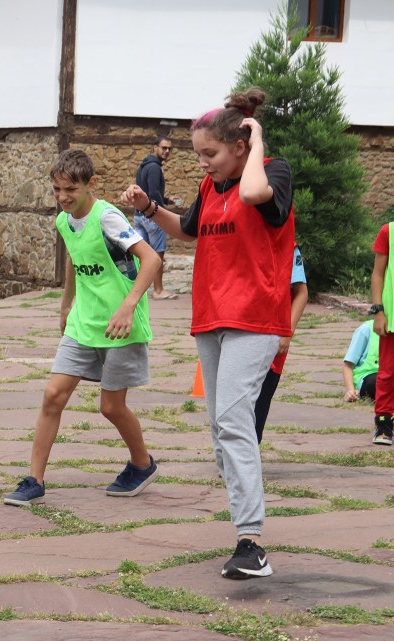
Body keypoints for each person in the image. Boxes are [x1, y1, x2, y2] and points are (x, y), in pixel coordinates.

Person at [121, 88, 295, 580]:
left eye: (210, 153)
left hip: (255, 319)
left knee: (234, 421)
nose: (203, 162)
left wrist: (258, 141)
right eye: (198, 154)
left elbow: (254, 195)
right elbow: (189, 229)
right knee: (221, 430)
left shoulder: (273, 173)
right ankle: (245, 523)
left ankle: (251, 542)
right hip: (212, 317)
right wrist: (150, 208)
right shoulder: (209, 185)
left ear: (240, 146)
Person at [4, 149, 160, 508]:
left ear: (91, 184)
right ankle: (34, 480)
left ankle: (142, 464)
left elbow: (151, 259)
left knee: (111, 407)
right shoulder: (64, 221)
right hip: (83, 322)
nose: (63, 197)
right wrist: (66, 304)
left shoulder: (107, 218)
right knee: (53, 395)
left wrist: (128, 306)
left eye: (70, 189)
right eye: (57, 189)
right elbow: (76, 261)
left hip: (120, 325)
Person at [253, 244, 309, 443]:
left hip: (273, 337)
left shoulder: (289, 248)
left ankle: (251, 451)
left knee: (260, 401)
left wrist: (287, 332)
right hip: (240, 331)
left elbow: (301, 293)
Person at [134, 136, 180, 300]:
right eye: (164, 148)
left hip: (139, 215)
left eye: (169, 149)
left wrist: (167, 200)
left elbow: (147, 192)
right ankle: (158, 290)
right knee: (157, 254)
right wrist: (162, 212)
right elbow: (153, 193)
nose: (167, 151)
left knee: (143, 255)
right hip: (152, 217)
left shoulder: (143, 166)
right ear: (155, 147)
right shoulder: (154, 167)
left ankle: (139, 290)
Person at [368, 221, 394, 445]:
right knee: (387, 373)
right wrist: (378, 311)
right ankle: (384, 424)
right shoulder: (389, 231)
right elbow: (378, 274)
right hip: (392, 317)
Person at [341, 320, 378, 403]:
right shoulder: (366, 329)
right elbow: (348, 366)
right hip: (370, 377)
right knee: (375, 382)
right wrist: (350, 390)